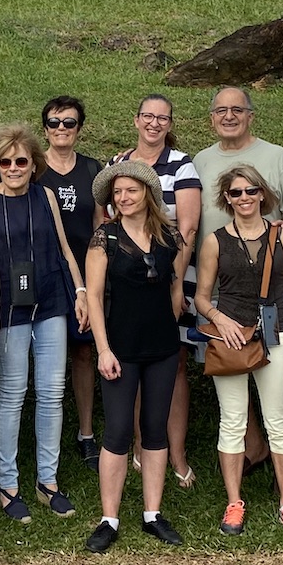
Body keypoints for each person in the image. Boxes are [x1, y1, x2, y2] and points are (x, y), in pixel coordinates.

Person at [0, 125, 88, 520]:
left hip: (52, 300)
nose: (14, 167)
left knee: (52, 392)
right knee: (13, 392)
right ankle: (8, 484)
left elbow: (65, 248)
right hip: (7, 308)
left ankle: (47, 481)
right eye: (6, 161)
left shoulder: (46, 195)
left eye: (21, 161)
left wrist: (81, 291)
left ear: (33, 163)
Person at [192, 163, 283, 537]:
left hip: (278, 336)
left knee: (279, 422)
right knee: (233, 421)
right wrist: (219, 320)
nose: (244, 198)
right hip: (230, 339)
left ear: (263, 194)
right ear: (227, 198)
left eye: (250, 191)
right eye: (236, 193)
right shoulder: (215, 241)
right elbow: (201, 297)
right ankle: (233, 503)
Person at [82, 161, 186, 552]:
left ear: (147, 194)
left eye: (131, 191)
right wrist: (103, 349)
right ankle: (109, 518)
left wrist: (171, 322)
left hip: (161, 347)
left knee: (155, 428)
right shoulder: (104, 238)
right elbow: (93, 296)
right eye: (118, 193)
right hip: (120, 349)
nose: (124, 198)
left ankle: (152, 513)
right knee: (119, 431)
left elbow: (173, 286)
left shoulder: (169, 236)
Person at [111, 94, 201, 487]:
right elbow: (109, 222)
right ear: (136, 120)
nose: (154, 123)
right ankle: (137, 447)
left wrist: (175, 283)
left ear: (170, 123)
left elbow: (188, 227)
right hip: (127, 281)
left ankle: (174, 452)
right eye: (147, 116)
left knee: (174, 363)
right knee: (130, 360)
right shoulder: (118, 164)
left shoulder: (182, 165)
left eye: (162, 118)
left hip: (171, 276)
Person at [40, 96, 104, 466]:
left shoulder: (92, 169)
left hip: (85, 272)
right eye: (54, 122)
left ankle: (85, 433)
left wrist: (98, 273)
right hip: (46, 274)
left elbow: (99, 223)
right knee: (46, 356)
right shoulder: (33, 169)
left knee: (83, 351)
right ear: (44, 127)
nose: (61, 129)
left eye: (69, 122)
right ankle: (46, 433)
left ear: (79, 128)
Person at [192, 87, 283, 240]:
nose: (229, 116)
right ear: (212, 118)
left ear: (250, 117)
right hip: (209, 262)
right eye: (221, 110)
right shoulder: (200, 160)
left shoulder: (277, 156)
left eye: (237, 110)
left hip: (265, 261)